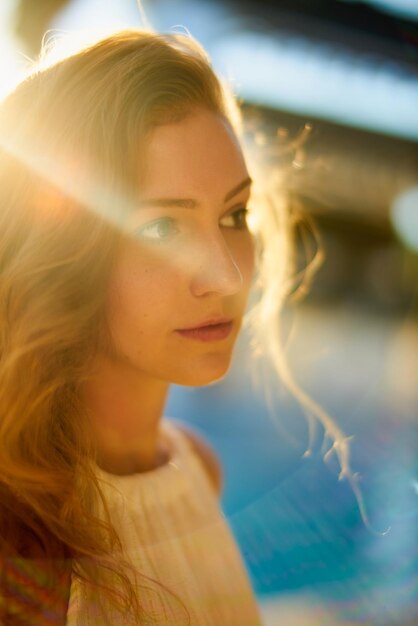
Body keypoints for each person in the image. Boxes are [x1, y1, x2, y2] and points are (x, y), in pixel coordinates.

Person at [0, 28, 351, 625]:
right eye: (161, 228)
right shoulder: (23, 540)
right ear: (62, 248)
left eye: (235, 214)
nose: (226, 273)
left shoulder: (198, 470)